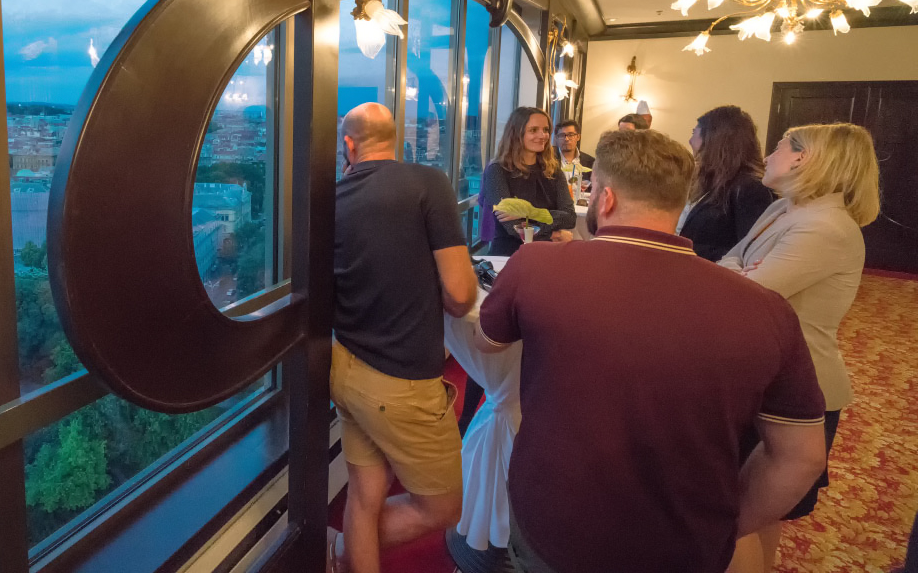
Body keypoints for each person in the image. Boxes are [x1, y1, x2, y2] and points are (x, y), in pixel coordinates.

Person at [473, 129, 828, 573]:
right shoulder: (768, 310)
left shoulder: (534, 265)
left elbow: (487, 344)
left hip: (555, 524)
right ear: (679, 202)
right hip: (685, 542)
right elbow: (802, 456)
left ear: (604, 198)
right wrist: (726, 527)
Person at [721, 123, 881, 573]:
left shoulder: (825, 226)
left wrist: (742, 273)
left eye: (778, 147)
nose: (768, 155)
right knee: (750, 515)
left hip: (796, 387)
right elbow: (731, 261)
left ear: (803, 158)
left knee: (739, 517)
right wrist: (742, 270)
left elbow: (745, 293)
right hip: (764, 373)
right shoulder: (785, 209)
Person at [328, 102, 478, 573]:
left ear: (349, 145)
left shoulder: (331, 199)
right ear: (395, 138)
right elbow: (460, 295)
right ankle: (337, 550)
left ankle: (343, 554)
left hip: (345, 367)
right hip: (401, 383)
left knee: (363, 498)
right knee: (443, 507)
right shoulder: (427, 182)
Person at [678, 105, 776, 262]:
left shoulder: (750, 188)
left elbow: (748, 251)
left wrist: (689, 249)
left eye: (694, 132)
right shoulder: (715, 182)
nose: (690, 141)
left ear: (713, 138)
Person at [480, 107, 575, 256]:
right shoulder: (497, 171)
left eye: (545, 130)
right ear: (516, 133)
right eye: (533, 130)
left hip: (548, 254)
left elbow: (569, 218)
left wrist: (529, 213)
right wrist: (554, 234)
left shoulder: (553, 170)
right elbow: (513, 228)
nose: (542, 135)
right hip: (509, 255)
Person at [553, 119, 593, 186]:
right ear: (556, 138)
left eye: (570, 135)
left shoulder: (590, 162)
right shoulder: (549, 159)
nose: (566, 139)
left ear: (578, 137)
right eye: (562, 135)